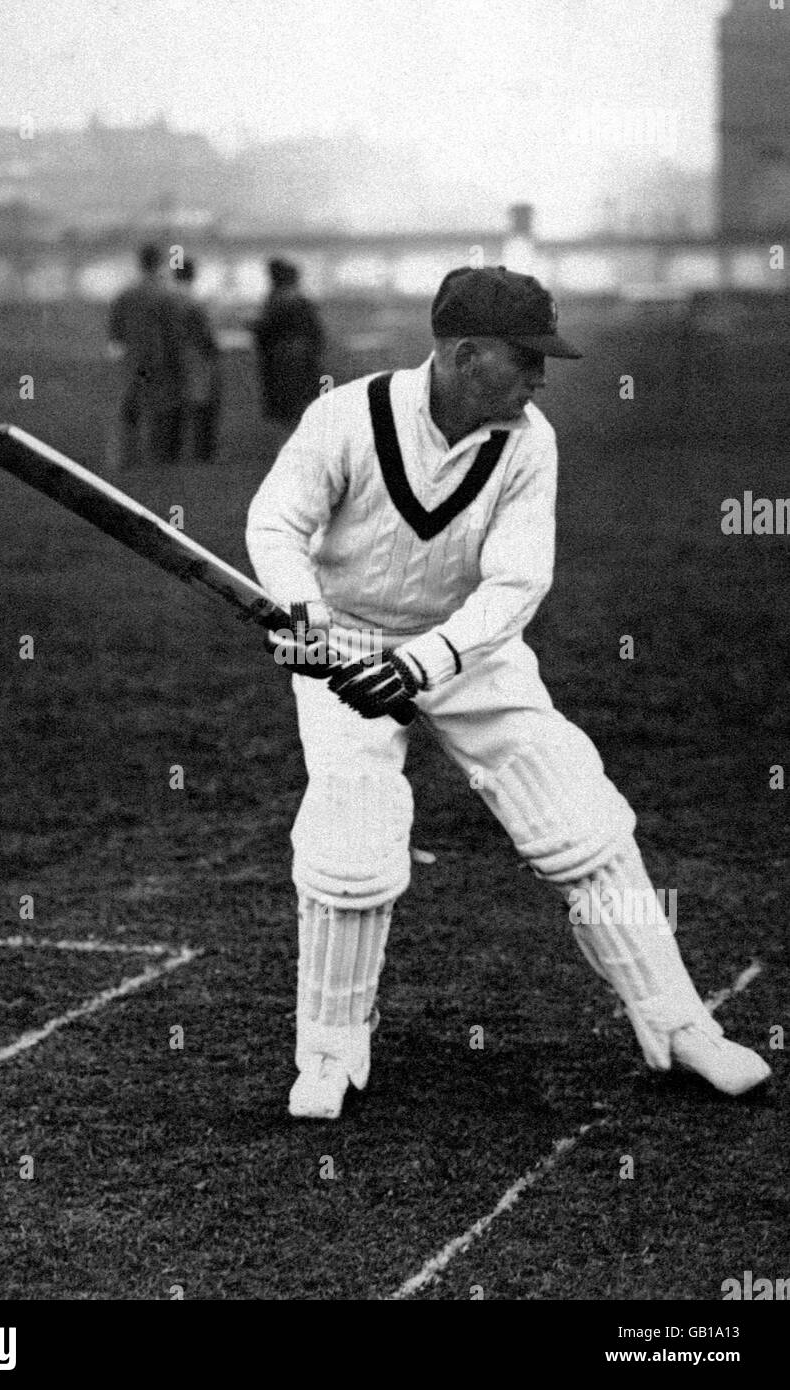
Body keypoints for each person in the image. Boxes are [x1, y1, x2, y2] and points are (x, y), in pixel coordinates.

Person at [245, 264, 772, 1120]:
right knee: (351, 834)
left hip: (468, 652)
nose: (537, 379)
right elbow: (276, 522)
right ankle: (331, 1052)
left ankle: (678, 1025)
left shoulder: (528, 442)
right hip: (342, 644)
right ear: (462, 354)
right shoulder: (345, 416)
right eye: (523, 360)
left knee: (578, 819)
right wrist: (303, 615)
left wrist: (424, 663)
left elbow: (516, 584)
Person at [107, 242, 193, 469]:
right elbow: (175, 333)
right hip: (159, 362)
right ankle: (156, 458)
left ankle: (126, 458)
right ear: (160, 262)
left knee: (130, 410)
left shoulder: (126, 294)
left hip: (133, 361)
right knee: (160, 410)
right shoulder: (167, 294)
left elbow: (115, 332)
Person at [252, 258, 324, 428]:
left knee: (288, 404)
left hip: (283, 357)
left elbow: (268, 328)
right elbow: (317, 333)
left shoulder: (279, 300)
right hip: (301, 355)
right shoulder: (300, 300)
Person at [172, 257, 222, 463]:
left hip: (174, 359)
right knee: (203, 407)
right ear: (193, 274)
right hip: (197, 359)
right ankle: (202, 454)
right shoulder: (194, 301)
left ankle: (173, 454)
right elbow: (205, 335)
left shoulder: (169, 299)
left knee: (176, 408)